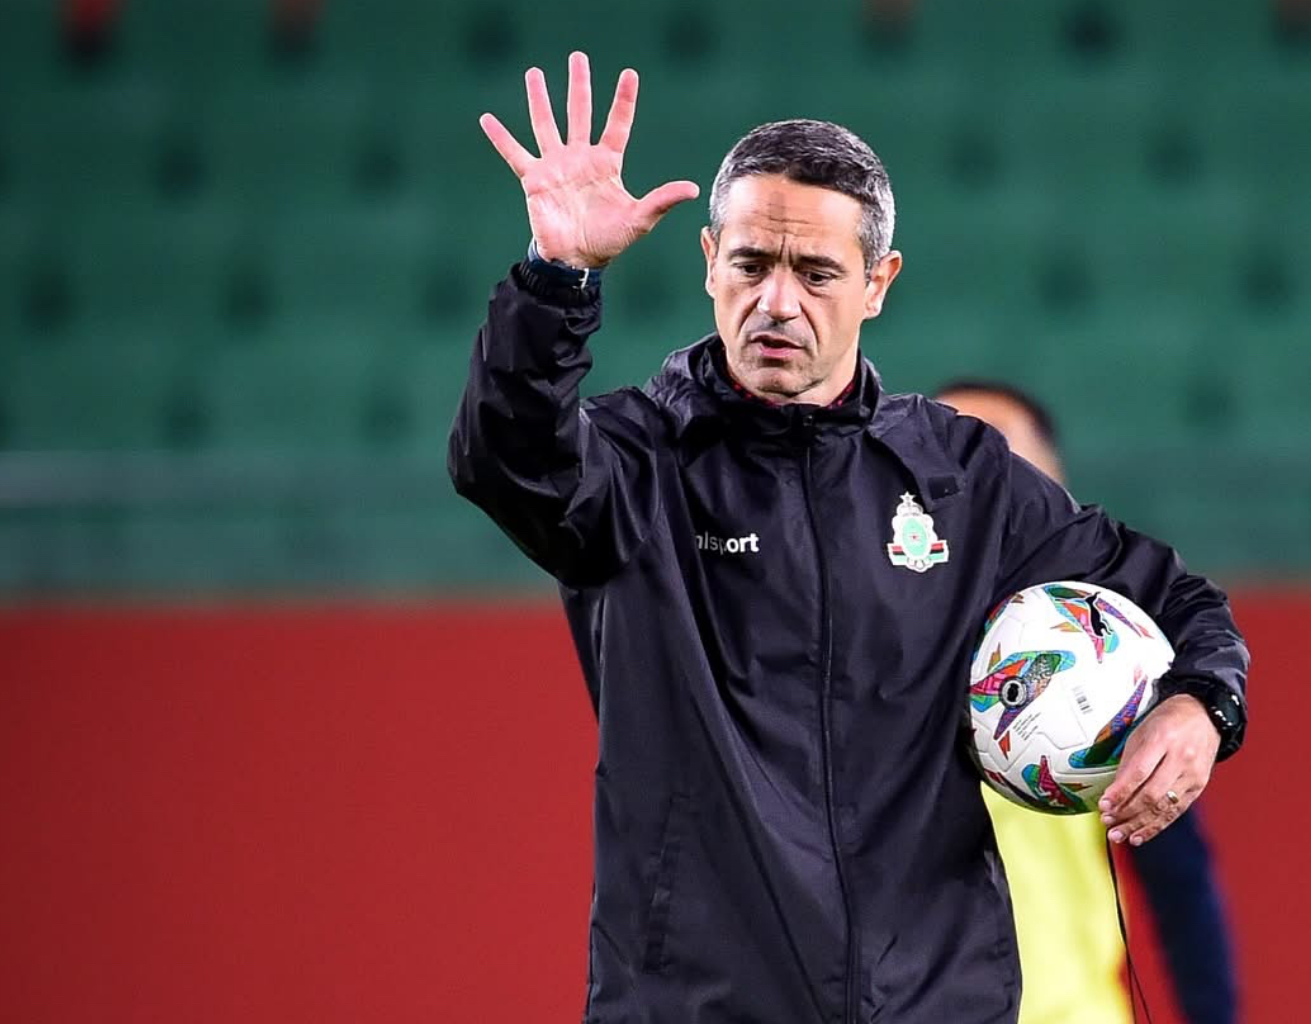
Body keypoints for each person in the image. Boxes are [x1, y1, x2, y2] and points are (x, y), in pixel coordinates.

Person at [451, 52, 1249, 1023]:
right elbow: (505, 458)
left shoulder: (960, 477)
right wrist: (556, 279)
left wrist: (1201, 705)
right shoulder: (637, 464)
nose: (777, 302)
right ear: (709, 260)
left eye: (816, 272)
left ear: (878, 282)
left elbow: (1173, 597)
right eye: (751, 264)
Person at [935, 381, 1240, 1024]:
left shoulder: (1109, 669)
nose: (974, 481)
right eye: (952, 457)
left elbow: (1181, 885)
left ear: (1049, 492)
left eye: (1002, 463)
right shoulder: (875, 651)